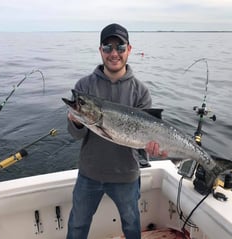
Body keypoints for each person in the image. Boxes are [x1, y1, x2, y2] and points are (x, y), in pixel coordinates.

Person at [66, 23, 167, 239]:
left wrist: (153, 147)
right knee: (77, 226)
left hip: (126, 175)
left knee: (131, 227)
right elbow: (76, 135)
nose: (114, 54)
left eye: (120, 47)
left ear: (129, 49)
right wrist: (76, 122)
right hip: (89, 173)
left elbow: (145, 142)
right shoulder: (83, 87)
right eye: (108, 47)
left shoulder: (140, 91)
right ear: (100, 50)